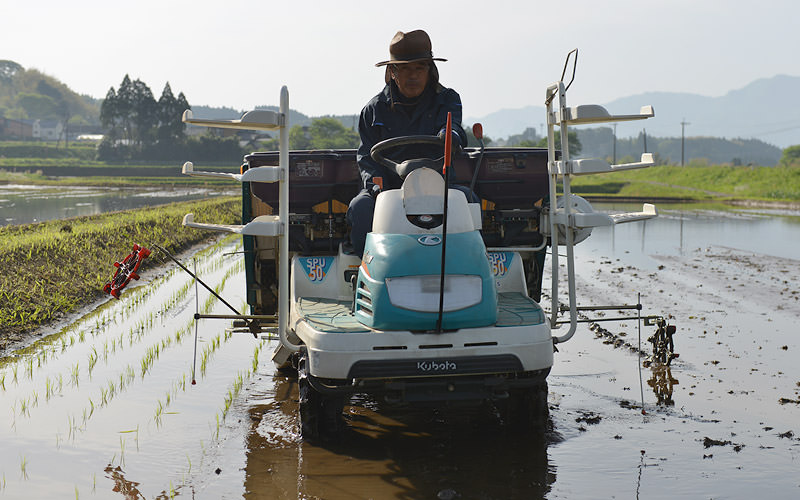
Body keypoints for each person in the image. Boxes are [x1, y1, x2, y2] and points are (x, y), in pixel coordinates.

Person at [346, 29, 472, 257]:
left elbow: (454, 127)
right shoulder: (373, 110)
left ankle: (472, 264)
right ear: (392, 72)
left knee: (467, 200)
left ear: (430, 70)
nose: (412, 76)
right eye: (404, 69)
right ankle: (367, 267)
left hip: (439, 185)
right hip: (388, 187)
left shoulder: (448, 99)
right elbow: (366, 157)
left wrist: (450, 134)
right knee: (360, 207)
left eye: (419, 68)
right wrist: (376, 187)